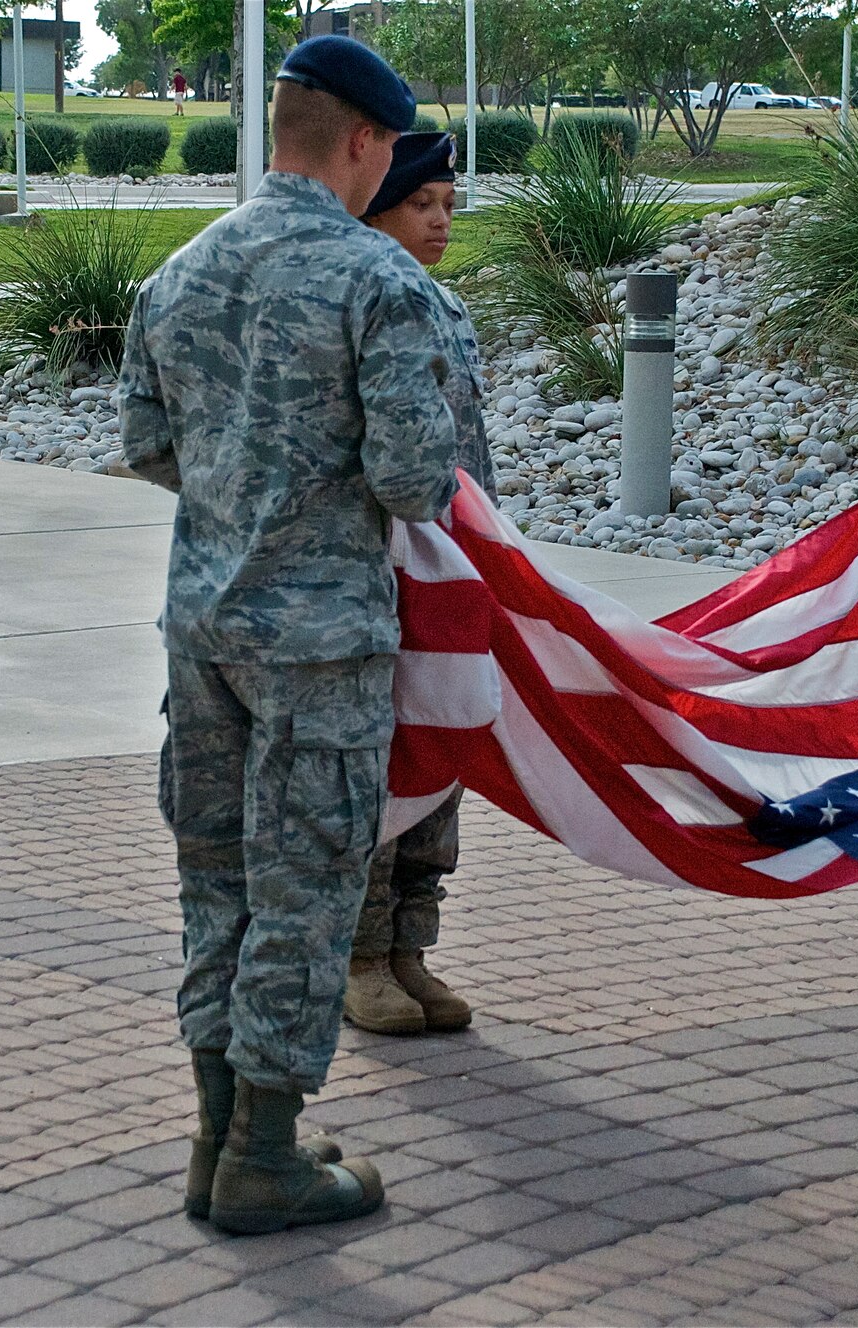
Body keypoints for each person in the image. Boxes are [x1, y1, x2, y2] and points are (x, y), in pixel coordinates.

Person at [118, 34, 462, 1236]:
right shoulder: (380, 284)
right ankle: (265, 1155)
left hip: (202, 632)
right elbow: (420, 477)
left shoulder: (175, 277)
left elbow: (148, 445)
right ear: (365, 141)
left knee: (214, 884)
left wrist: (244, 491)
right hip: (319, 646)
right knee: (306, 894)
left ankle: (216, 1137)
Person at [343, 132, 495, 1037]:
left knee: (442, 749)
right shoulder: (355, 303)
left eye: (448, 203)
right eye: (421, 204)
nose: (440, 220)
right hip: (376, 564)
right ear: (374, 208)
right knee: (377, 762)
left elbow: (471, 455)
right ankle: (359, 958)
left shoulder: (447, 308)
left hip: (449, 562)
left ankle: (412, 948)